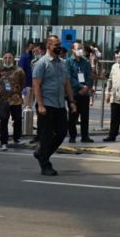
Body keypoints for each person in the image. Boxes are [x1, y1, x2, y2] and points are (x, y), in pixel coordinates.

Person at [32, 34, 75, 176]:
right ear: (48, 46)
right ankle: (45, 165)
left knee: (62, 132)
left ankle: (42, 153)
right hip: (46, 104)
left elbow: (67, 83)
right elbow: (36, 85)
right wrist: (40, 105)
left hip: (60, 104)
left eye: (59, 44)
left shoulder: (62, 63)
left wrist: (72, 102)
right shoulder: (42, 63)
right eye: (56, 45)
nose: (59, 47)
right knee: (46, 135)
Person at [66, 42, 95, 143]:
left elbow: (89, 75)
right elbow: (69, 77)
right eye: (78, 48)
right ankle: (72, 136)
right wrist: (80, 86)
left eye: (81, 48)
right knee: (73, 115)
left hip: (85, 93)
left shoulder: (85, 62)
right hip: (74, 92)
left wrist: (86, 86)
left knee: (85, 115)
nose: (80, 50)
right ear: (73, 50)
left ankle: (85, 136)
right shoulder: (68, 62)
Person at [0, 51, 25, 150]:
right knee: (3, 120)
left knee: (17, 119)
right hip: (3, 99)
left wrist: (17, 91)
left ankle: (17, 137)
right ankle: (4, 141)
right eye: (5, 58)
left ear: (13, 59)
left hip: (16, 99)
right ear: (3, 59)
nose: (7, 60)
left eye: (10, 57)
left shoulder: (19, 70)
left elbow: (22, 83)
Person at [104, 49, 120, 142]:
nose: (118, 59)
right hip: (115, 96)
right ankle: (112, 135)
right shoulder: (114, 66)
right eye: (117, 57)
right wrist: (107, 93)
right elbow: (110, 80)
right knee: (114, 117)